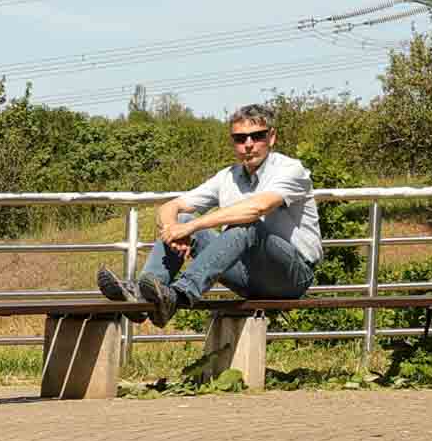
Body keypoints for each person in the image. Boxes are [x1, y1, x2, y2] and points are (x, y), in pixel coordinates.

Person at [101, 103, 320, 321]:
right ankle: (142, 299)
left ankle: (179, 294)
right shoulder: (227, 177)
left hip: (291, 277)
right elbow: (171, 206)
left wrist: (192, 227)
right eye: (240, 138)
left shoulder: (290, 170)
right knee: (182, 218)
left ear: (271, 137)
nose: (249, 144)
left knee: (246, 224)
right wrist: (173, 229)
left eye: (257, 136)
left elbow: (257, 208)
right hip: (246, 276)